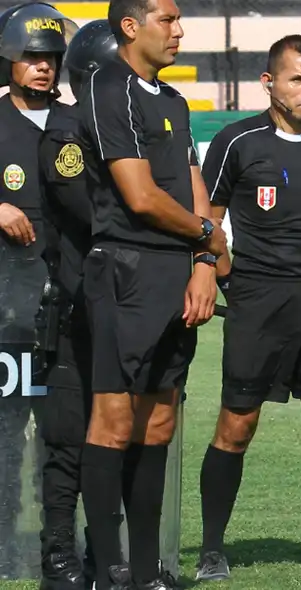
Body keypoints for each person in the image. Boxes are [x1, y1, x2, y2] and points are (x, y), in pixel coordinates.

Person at [193, 33, 301, 581]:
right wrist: (229, 279)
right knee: (236, 426)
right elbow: (208, 221)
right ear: (269, 82)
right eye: (298, 80)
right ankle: (211, 550)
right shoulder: (237, 141)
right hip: (258, 305)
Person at [76, 0, 228, 586]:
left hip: (176, 271)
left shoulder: (173, 100)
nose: (179, 30)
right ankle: (106, 571)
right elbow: (140, 197)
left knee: (159, 422)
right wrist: (208, 235)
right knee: (113, 422)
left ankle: (147, 572)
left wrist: (205, 262)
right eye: (167, 19)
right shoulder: (106, 88)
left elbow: (192, 185)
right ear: (130, 26)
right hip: (124, 271)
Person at [37, 18, 119, 589]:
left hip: (127, 309)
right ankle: (60, 558)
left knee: (120, 442)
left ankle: (108, 555)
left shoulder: (135, 127)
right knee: (69, 442)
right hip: (78, 309)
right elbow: (95, 214)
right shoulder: (65, 134)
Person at [0, 1, 76, 580]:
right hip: (5, 310)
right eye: (31, 56)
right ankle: (4, 544)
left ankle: (60, 547)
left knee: (62, 436)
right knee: (5, 434)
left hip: (69, 308)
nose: (43, 66)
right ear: (9, 59)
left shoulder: (77, 124)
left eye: (51, 56)